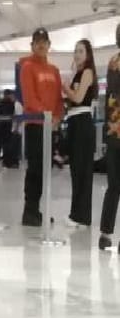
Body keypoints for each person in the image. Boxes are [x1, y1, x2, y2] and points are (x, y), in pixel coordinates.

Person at [19, 27, 64, 227]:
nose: (41, 45)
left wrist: (57, 117)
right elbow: (30, 98)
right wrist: (46, 115)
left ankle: (37, 209)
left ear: (49, 45)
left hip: (50, 126)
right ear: (32, 45)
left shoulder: (54, 70)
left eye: (44, 42)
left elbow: (58, 99)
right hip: (35, 125)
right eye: (37, 42)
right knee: (35, 169)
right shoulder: (27, 67)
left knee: (45, 169)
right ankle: (29, 211)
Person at [64, 39, 98, 228]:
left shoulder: (87, 72)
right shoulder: (77, 73)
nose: (77, 54)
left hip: (82, 122)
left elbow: (77, 97)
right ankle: (76, 214)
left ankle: (81, 216)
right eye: (75, 51)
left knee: (82, 171)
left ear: (88, 54)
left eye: (81, 51)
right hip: (74, 122)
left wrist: (65, 88)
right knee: (76, 170)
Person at [98, 24, 120, 251]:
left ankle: (105, 234)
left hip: (113, 131)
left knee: (113, 185)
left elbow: (110, 100)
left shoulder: (113, 62)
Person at [0, 89, 20, 167]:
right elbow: (12, 114)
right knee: (6, 145)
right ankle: (6, 162)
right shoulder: (11, 103)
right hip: (7, 126)